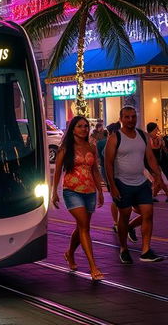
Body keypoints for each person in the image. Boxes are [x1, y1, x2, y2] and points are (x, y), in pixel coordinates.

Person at [104, 105, 165, 263]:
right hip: (122, 182)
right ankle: (124, 248)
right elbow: (108, 163)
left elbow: (150, 158)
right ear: (121, 119)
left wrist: (157, 175)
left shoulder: (143, 136)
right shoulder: (115, 137)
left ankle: (146, 250)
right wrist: (112, 186)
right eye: (127, 117)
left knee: (148, 213)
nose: (131, 120)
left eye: (133, 117)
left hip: (141, 182)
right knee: (124, 217)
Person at [51, 116, 104, 280]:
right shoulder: (66, 148)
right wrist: (54, 192)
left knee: (82, 226)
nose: (84, 129)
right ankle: (93, 267)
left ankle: (70, 253)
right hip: (72, 191)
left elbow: (94, 170)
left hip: (90, 192)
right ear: (73, 129)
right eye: (80, 126)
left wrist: (100, 190)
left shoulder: (91, 146)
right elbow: (58, 170)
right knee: (85, 228)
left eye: (86, 126)